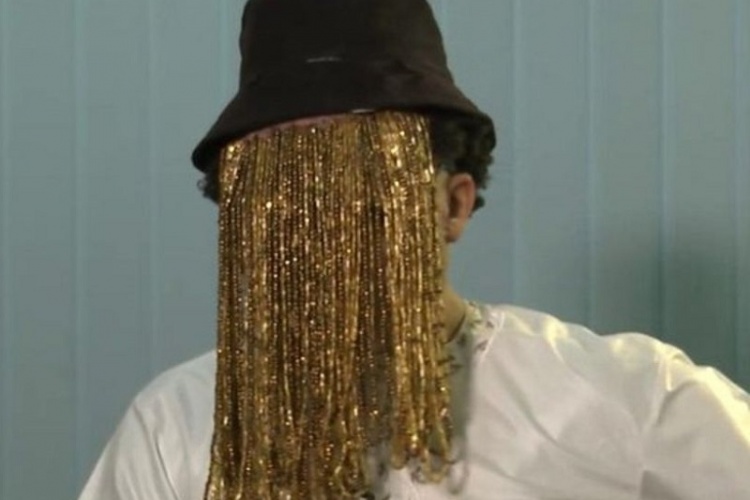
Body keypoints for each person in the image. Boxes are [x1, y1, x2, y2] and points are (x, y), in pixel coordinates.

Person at [79, 0, 750, 499]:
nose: (323, 237)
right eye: (286, 202)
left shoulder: (628, 401)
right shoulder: (174, 428)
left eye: (366, 192)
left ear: (452, 206)